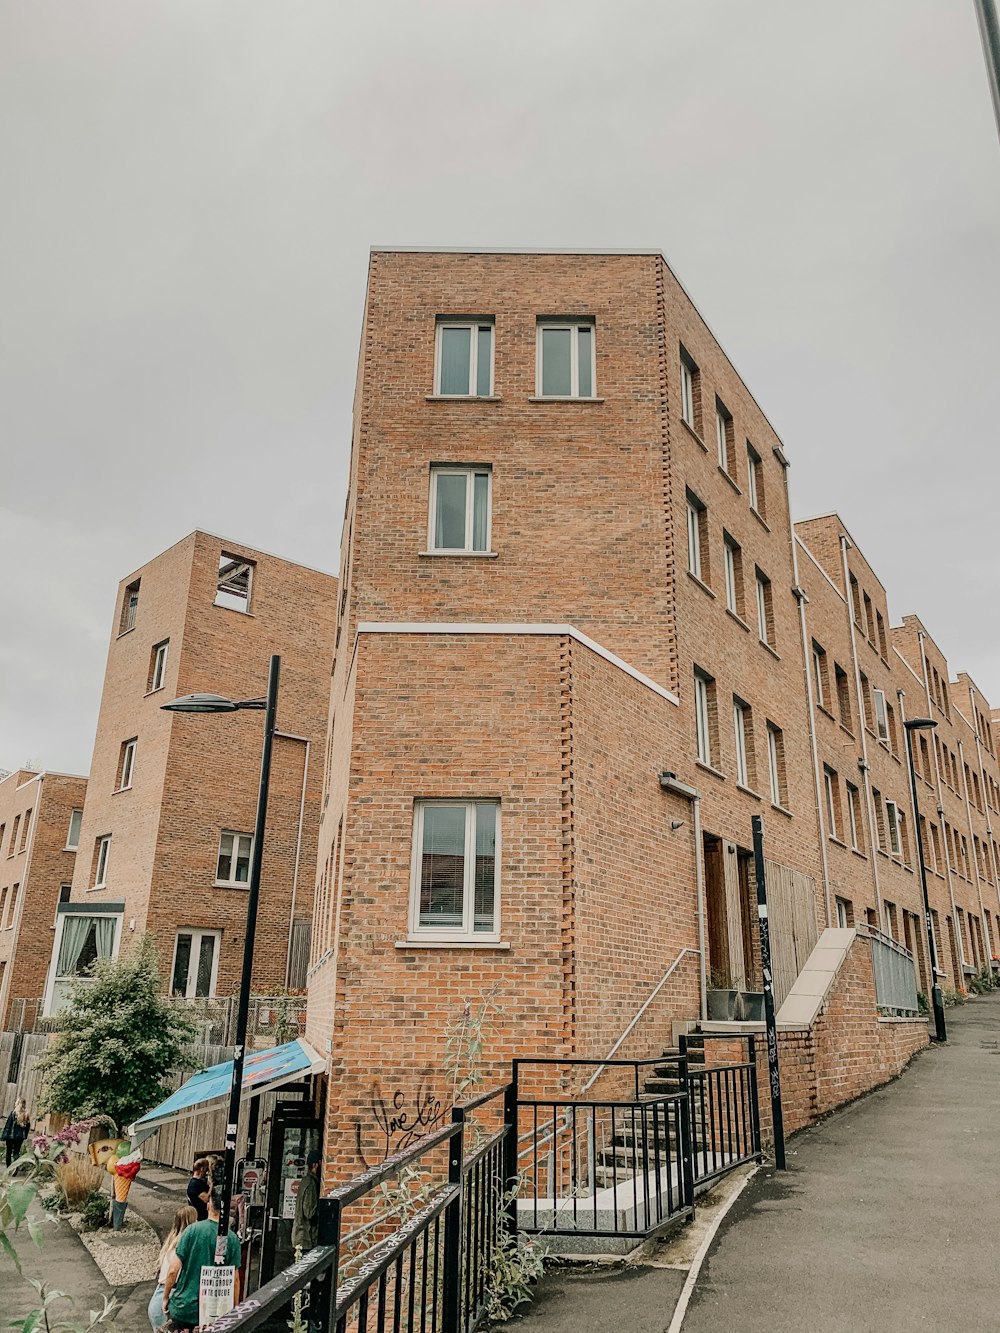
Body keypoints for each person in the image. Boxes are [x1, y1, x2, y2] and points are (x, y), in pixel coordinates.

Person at [163, 1189, 241, 1332]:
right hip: (214, 1311)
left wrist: (165, 1298)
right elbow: (234, 1280)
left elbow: (173, 1271)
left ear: (208, 1206)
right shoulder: (232, 1239)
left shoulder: (191, 1231)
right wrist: (233, 1310)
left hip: (184, 1307)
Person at [147, 1205, 196, 1331]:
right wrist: (166, 1297)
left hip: (158, 1295)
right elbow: (173, 1272)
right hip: (170, 1295)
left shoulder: (171, 1241)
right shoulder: (183, 1246)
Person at [291, 1150, 321, 1252]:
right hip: (306, 1238)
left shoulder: (305, 1181)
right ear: (315, 1165)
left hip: (301, 1236)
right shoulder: (311, 1183)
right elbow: (309, 1212)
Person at [2, 1099, 31, 1167]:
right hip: (19, 1137)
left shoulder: (13, 1113)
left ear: (17, 1104)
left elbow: (8, 1125)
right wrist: (25, 1136)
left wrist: (4, 1135)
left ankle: (9, 1167)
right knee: (16, 1152)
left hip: (10, 1136)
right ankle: (15, 1167)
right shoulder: (26, 1115)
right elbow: (27, 1127)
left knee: (8, 1152)